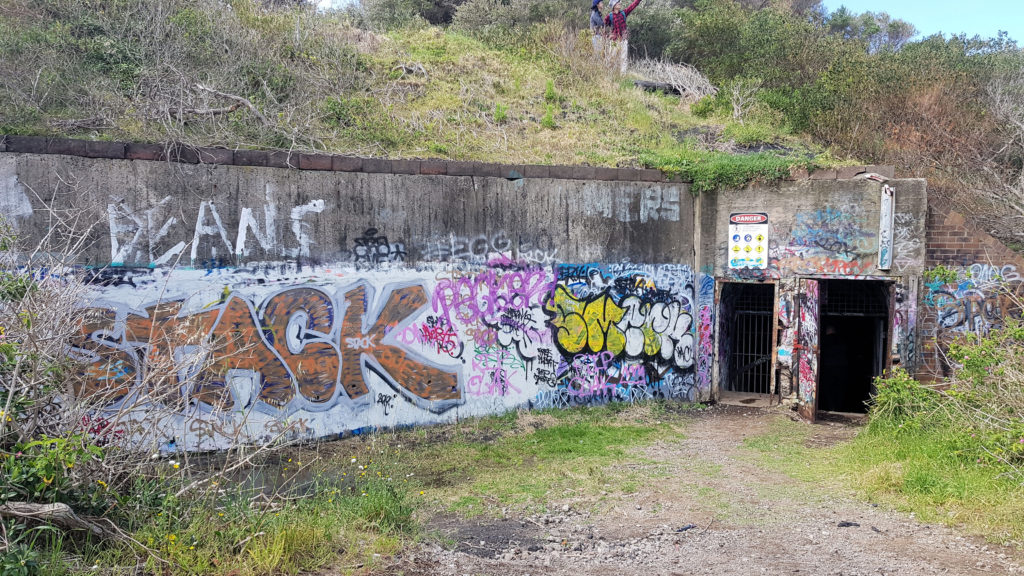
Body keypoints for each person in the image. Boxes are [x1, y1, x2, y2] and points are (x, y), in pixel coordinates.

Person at [604, 0, 643, 73]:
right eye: (618, 3)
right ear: (614, 5)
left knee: (623, 59)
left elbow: (632, 6)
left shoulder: (623, 13)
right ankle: (609, 74)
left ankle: (623, 76)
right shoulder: (609, 16)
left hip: (623, 40)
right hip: (614, 41)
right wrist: (608, 36)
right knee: (612, 58)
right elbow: (602, 26)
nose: (620, 4)